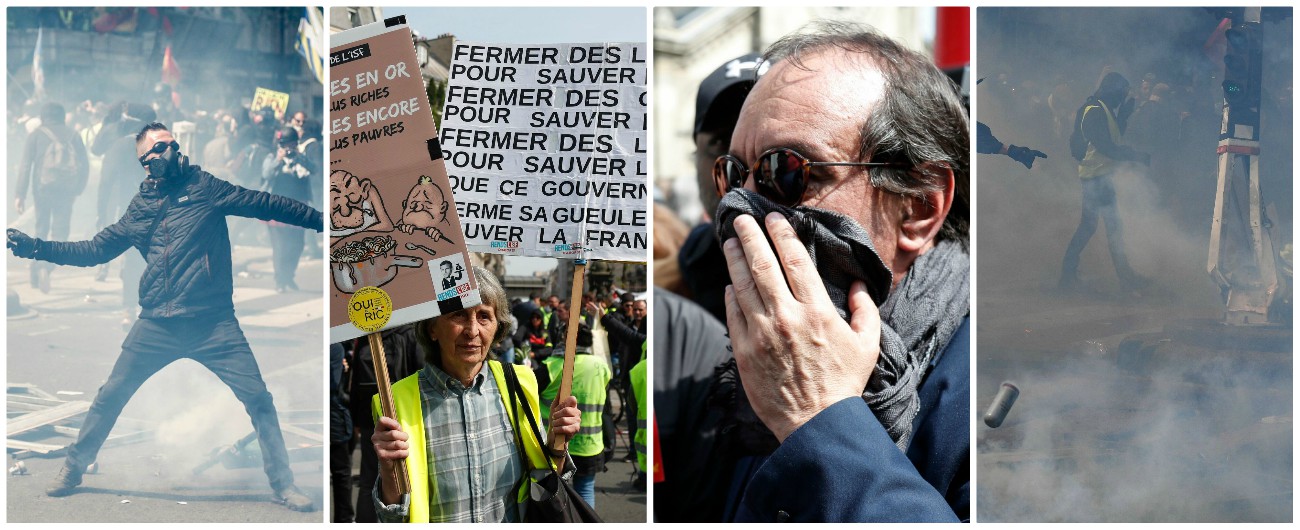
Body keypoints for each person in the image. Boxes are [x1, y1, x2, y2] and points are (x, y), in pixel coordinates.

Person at [709, 21, 969, 521]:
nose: (742, 210)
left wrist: (819, 417)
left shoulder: (993, 398)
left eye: (785, 171)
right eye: (732, 175)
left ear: (917, 207)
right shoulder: (750, 369)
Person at [6, 122, 323, 511]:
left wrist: (325, 221)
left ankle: (283, 484)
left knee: (259, 399)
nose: (169, 151)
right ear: (145, 162)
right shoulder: (140, 209)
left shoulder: (205, 186)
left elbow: (266, 203)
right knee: (110, 397)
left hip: (213, 322)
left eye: (172, 144)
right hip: (158, 322)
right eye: (158, 148)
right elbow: (93, 250)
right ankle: (74, 467)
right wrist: (36, 248)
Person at [370, 267, 583, 522]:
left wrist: (558, 445)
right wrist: (388, 469)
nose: (472, 331)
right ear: (432, 328)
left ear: (497, 328)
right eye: (458, 315)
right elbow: (392, 517)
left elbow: (547, 482)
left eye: (484, 316)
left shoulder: (520, 382)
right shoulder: (395, 401)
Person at [1060, 71, 1150, 292]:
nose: (1122, 98)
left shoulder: (1101, 108)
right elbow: (1106, 146)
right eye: (1121, 93)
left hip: (1099, 176)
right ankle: (1071, 276)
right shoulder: (1094, 111)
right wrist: (1135, 156)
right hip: (1095, 178)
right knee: (1106, 227)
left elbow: (1112, 135)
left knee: (1097, 227)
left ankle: (1069, 275)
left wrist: (1124, 116)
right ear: (1113, 90)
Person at [14, 102, 90, 292]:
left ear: (43, 117)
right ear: (63, 116)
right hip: (66, 191)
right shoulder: (74, 135)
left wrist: (19, 194)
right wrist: (78, 189)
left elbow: (25, 166)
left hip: (42, 190)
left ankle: (36, 267)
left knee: (41, 228)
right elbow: (84, 165)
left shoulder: (36, 135)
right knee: (60, 233)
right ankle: (47, 267)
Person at [262, 126, 316, 292]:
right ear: (281, 145)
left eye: (293, 145)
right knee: (280, 246)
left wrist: (300, 159)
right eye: (287, 146)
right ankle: (280, 280)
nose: (289, 149)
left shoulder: (301, 158)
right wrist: (278, 160)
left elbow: (315, 170)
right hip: (278, 207)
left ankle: (288, 276)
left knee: (298, 244)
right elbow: (266, 174)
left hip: (299, 207)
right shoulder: (272, 157)